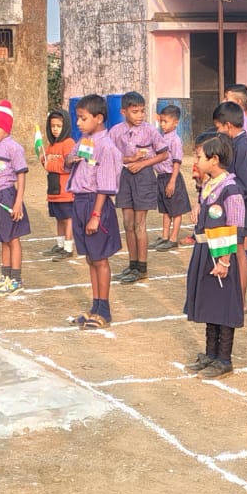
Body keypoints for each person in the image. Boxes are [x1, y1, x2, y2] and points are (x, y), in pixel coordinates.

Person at [182, 133, 247, 379]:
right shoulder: (210, 184)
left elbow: (234, 226)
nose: (196, 161)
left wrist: (224, 261)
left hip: (220, 256)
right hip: (204, 250)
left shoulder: (231, 189)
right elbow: (206, 205)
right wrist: (199, 205)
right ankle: (210, 353)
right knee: (210, 303)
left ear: (214, 159)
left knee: (223, 306)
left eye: (199, 156)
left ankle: (224, 358)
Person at [66, 95, 122, 328]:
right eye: (78, 118)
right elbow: (70, 161)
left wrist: (96, 216)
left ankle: (105, 310)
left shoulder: (106, 147)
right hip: (79, 202)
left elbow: (106, 185)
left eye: (83, 118)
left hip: (95, 204)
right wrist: (71, 158)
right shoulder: (85, 141)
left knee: (100, 259)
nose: (78, 123)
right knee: (90, 258)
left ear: (98, 119)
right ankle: (95, 306)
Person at [110, 91, 167, 286]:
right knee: (127, 223)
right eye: (135, 112)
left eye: (142, 111)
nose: (140, 116)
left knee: (139, 224)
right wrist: (129, 160)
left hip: (143, 177)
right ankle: (132, 264)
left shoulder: (150, 130)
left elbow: (164, 154)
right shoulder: (115, 132)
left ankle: (142, 267)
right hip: (125, 177)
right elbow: (111, 156)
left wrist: (142, 164)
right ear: (123, 111)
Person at [0, 100, 30, 295]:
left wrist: (18, 202)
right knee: (3, 238)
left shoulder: (14, 148)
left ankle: (16, 279)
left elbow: (21, 174)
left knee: (13, 238)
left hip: (8, 196)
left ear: (7, 127)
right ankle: (6, 275)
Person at [213, 100, 247, 295]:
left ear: (228, 126)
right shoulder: (235, 144)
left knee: (240, 250)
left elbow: (245, 184)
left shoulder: (243, 148)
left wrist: (224, 190)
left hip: (244, 208)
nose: (218, 132)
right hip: (237, 205)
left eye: (218, 128)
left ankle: (241, 298)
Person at [152, 104, 191, 251]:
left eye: (166, 121)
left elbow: (176, 162)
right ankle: (165, 236)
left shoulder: (175, 140)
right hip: (161, 178)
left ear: (175, 123)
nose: (162, 124)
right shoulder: (161, 137)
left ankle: (173, 238)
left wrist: (172, 182)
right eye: (161, 121)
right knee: (166, 209)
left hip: (171, 178)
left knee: (176, 210)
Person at [41, 109, 76, 260]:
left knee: (68, 218)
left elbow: (67, 166)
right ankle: (60, 244)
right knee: (58, 217)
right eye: (52, 126)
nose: (55, 129)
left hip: (65, 191)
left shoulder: (68, 143)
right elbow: (48, 163)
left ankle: (68, 247)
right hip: (53, 189)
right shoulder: (51, 145)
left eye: (58, 126)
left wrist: (49, 165)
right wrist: (43, 160)